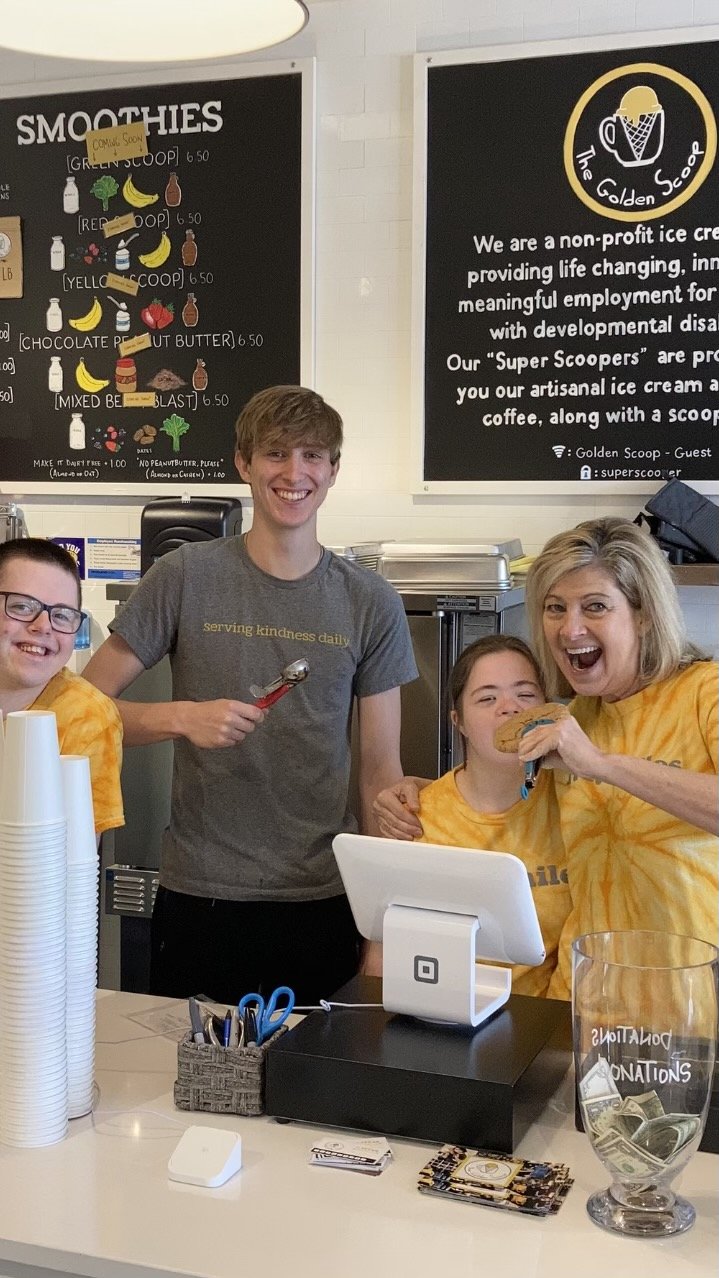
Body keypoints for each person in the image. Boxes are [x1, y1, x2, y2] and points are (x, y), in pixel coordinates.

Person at [84, 385, 417, 1005]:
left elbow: (380, 774)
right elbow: (80, 712)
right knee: (195, 1089)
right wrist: (180, 717)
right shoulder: (185, 576)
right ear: (244, 464)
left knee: (315, 1094)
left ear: (334, 470)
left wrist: (380, 925)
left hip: (324, 897)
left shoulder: (370, 601)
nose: (295, 474)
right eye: (276, 455)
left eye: (313, 456)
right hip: (202, 894)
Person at [375, 518, 718, 1000]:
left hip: (690, 1002)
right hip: (577, 1007)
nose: (570, 628)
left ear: (643, 614)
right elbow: (494, 785)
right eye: (555, 608)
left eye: (595, 606)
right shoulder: (564, 720)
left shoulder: (704, 691)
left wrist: (600, 763)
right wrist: (416, 790)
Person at [371, 635, 570, 995]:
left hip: (548, 1023)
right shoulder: (416, 819)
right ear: (457, 721)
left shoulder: (576, 807)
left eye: (525, 695)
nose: (509, 708)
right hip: (442, 1022)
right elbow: (383, 959)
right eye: (487, 698)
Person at [0, 537, 123, 836]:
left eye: (62, 616)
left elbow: (72, 857)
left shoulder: (86, 716)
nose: (43, 626)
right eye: (21, 606)